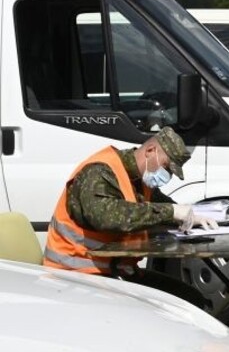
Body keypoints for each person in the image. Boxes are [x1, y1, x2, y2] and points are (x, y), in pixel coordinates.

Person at [42, 126, 215, 307]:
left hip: (116, 273)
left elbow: (165, 207)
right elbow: (106, 217)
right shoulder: (98, 171)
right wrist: (171, 212)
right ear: (150, 151)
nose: (167, 176)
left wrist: (195, 215)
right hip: (76, 275)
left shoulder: (140, 180)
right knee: (174, 307)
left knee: (188, 298)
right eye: (166, 168)